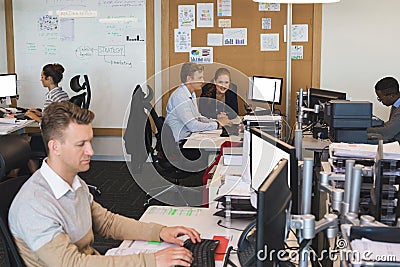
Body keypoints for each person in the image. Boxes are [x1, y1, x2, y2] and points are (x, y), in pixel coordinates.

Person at [9, 101, 201, 267]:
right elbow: (71, 264)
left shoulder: (75, 183)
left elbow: (107, 223)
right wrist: (151, 261)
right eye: (81, 144)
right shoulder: (34, 205)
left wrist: (160, 232)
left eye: (90, 142)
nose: (91, 151)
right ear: (55, 147)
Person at [166, 62, 232, 143]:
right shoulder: (180, 97)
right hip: (181, 142)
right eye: (200, 78)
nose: (203, 81)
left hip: (189, 137)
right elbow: (193, 126)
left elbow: (198, 117)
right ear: (189, 79)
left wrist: (216, 121)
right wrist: (218, 124)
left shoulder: (191, 93)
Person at [367, 76, 400, 142]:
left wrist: (363, 129)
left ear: (392, 96)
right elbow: (390, 124)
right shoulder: (396, 105)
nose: (380, 101)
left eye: (380, 99)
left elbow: (388, 132)